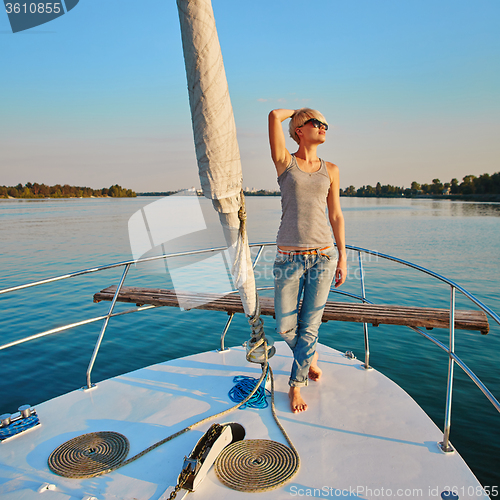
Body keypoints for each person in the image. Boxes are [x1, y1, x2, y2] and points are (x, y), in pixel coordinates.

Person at [268, 108, 347, 413]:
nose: (324, 127)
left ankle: (295, 385)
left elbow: (336, 214)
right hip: (289, 258)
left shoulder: (332, 169)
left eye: (326, 123)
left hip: (324, 257)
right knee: (286, 327)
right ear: (300, 129)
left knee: (310, 325)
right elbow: (275, 115)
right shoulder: (285, 163)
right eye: (318, 123)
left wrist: (342, 255)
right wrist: (298, 109)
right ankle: (309, 355)